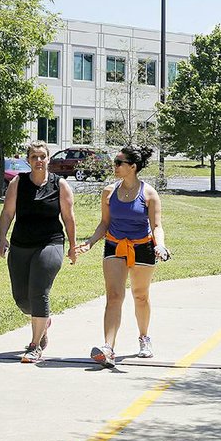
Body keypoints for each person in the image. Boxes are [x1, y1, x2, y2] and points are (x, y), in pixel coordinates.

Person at [76, 145, 169, 368]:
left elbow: (156, 225)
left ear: (133, 167)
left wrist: (161, 246)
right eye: (115, 162)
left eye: (119, 163)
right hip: (115, 247)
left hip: (142, 247)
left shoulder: (149, 194)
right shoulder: (109, 192)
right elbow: (104, 223)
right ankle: (108, 348)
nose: (115, 166)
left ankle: (144, 337)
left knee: (140, 295)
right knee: (114, 296)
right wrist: (90, 243)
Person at [0, 140, 78, 363]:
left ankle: (35, 345)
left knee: (38, 290)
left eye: (42, 156)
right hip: (20, 244)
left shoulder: (59, 185)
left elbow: (69, 218)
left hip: (50, 244)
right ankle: (44, 321)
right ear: (28, 160)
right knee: (22, 299)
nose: (39, 161)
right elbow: (7, 214)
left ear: (48, 158)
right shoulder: (18, 183)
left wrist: (72, 247)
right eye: (34, 157)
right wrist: (1, 237)